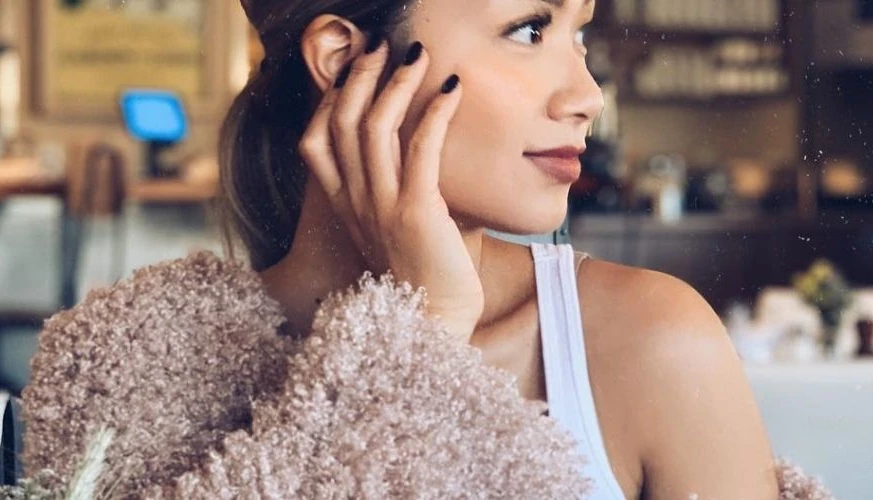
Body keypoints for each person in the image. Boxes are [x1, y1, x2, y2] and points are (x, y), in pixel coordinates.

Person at [218, 0, 780, 498]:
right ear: (343, 59)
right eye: (530, 30)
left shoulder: (651, 340)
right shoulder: (155, 358)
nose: (588, 98)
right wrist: (425, 334)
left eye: (578, 34)